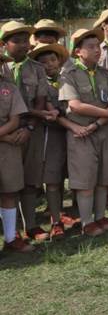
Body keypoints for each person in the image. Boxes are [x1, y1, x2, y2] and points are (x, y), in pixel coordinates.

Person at [57, 28, 108, 238]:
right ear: (78, 52)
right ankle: (87, 222)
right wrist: (107, 114)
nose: (97, 50)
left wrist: (99, 123)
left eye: (98, 46)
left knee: (103, 178)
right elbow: (75, 105)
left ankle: (100, 216)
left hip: (102, 130)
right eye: (90, 47)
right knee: (85, 181)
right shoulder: (68, 75)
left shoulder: (105, 74)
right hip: (81, 134)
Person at [0, 21, 54, 242]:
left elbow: (40, 100)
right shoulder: (2, 68)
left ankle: (30, 225)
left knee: (30, 179)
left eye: (25, 40)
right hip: (4, 135)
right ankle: (10, 231)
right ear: (4, 44)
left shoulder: (37, 68)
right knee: (7, 183)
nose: (23, 45)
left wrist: (30, 127)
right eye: (17, 41)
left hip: (30, 129)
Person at [29, 42, 80, 237]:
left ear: (59, 61)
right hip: (51, 135)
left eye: (52, 60)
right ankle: (55, 220)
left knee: (75, 175)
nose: (49, 64)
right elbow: (49, 110)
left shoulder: (69, 79)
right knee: (52, 179)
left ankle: (77, 214)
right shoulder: (40, 85)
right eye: (44, 62)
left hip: (73, 133)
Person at [0, 52, 32, 252]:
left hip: (8, 149)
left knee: (9, 191)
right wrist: (4, 137)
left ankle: (11, 238)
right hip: (7, 139)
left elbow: (14, 120)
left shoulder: (9, 88)